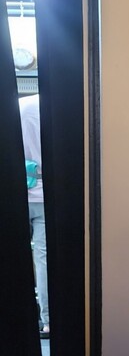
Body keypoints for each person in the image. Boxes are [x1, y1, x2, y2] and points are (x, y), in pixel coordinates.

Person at [19, 94, 50, 339]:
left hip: (16, 191)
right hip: (46, 195)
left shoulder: (18, 107)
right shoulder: (56, 107)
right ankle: (48, 321)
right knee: (44, 260)